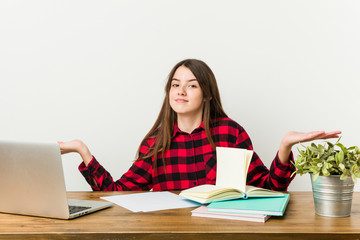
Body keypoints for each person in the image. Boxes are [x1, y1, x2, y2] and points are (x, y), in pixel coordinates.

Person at [59, 59, 341, 191]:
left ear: (206, 94)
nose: (180, 91)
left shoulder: (230, 132)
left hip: (224, 233)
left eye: (191, 85)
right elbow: (118, 193)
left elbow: (271, 188)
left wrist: (284, 146)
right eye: (175, 85)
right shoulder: (156, 142)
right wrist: (82, 151)